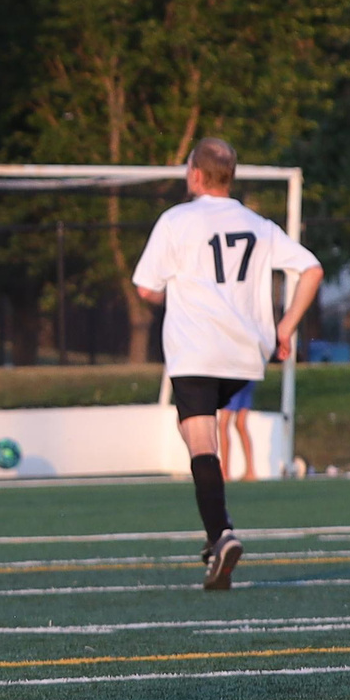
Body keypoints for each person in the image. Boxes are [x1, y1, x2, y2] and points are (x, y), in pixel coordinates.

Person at [133, 137, 321, 590]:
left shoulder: (176, 220)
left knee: (201, 444)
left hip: (196, 350)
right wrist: (286, 327)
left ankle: (220, 535)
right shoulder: (258, 223)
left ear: (195, 175)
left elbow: (145, 289)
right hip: (242, 357)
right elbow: (311, 268)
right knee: (195, 432)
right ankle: (218, 526)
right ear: (230, 176)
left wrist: (171, 293)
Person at [218, 380, 258, 482]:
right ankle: (250, 471)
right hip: (250, 377)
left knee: (223, 424)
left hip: (236, 376)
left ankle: (225, 472)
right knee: (240, 424)